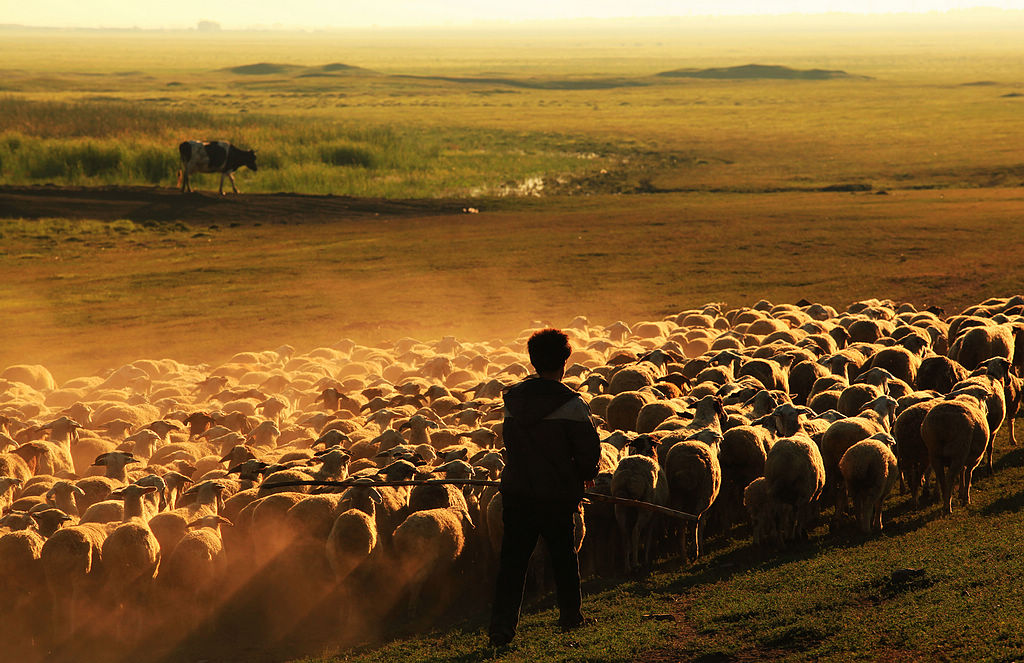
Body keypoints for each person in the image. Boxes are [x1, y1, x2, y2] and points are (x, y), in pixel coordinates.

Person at [488, 328, 602, 647]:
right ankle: (570, 616)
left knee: (513, 561)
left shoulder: (512, 401)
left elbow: (511, 443)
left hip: (518, 491)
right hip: (556, 494)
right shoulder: (572, 404)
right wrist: (585, 473)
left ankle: (501, 627)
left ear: (533, 361)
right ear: (565, 361)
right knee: (564, 555)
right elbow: (588, 449)